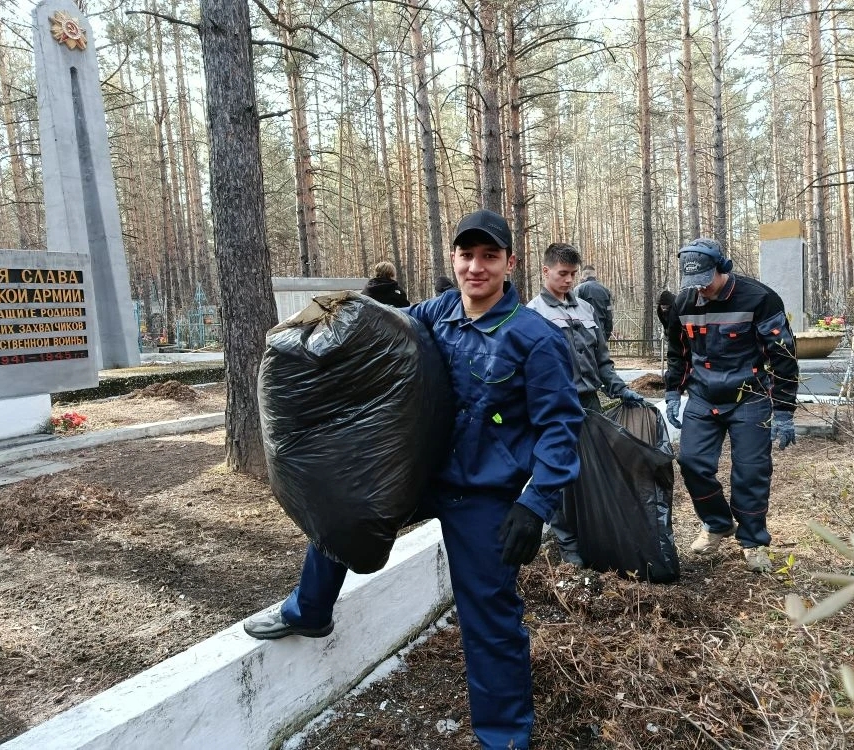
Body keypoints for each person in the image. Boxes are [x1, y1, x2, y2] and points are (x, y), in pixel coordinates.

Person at [244, 209, 583, 750]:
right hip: (424, 471)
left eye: (489, 257)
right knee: (343, 505)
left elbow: (562, 428)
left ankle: (505, 737)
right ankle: (308, 611)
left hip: (483, 494)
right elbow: (381, 324)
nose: (476, 267)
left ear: (509, 263)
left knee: (489, 617)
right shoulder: (439, 312)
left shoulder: (534, 339)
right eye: (466, 256)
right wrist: (329, 315)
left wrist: (536, 503)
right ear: (453, 260)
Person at [663, 238, 799, 574]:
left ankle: (753, 541)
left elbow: (782, 354)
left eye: (706, 282)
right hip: (703, 396)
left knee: (750, 473)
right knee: (692, 462)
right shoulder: (685, 302)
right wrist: (672, 392)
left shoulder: (760, 298)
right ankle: (717, 524)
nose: (702, 290)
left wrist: (783, 409)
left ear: (722, 269)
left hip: (749, 398)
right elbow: (678, 352)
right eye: (694, 284)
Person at [525, 242, 645, 566]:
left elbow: (602, 362)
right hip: (554, 409)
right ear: (546, 271)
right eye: (562, 274)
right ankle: (569, 547)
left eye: (572, 274)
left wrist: (621, 390)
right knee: (558, 475)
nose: (568, 280)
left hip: (590, 402)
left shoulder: (586, 310)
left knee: (593, 472)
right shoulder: (533, 314)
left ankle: (596, 535)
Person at [573, 263, 614, 340]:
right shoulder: (605, 290)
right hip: (601, 332)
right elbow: (609, 313)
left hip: (584, 333)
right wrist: (607, 333)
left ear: (583, 276)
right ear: (594, 276)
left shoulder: (579, 289)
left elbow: (575, 313)